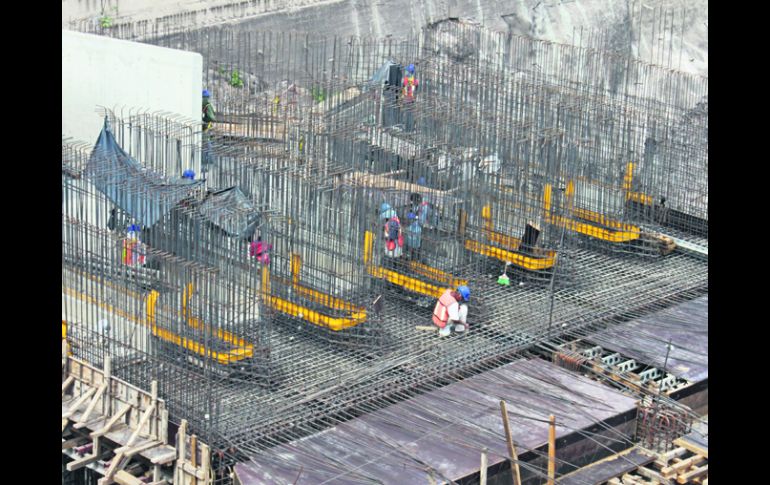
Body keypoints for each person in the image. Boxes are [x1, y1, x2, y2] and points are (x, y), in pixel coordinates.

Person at [401, 64, 419, 131]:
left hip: (408, 100)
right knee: (410, 114)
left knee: (407, 115)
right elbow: (416, 91)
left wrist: (403, 98)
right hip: (411, 100)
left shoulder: (406, 80)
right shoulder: (415, 81)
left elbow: (403, 90)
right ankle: (409, 128)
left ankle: (407, 128)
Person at [202, 89, 216, 172]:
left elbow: (211, 118)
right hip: (205, 127)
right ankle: (206, 162)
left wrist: (204, 119)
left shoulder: (207, 106)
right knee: (206, 144)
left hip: (207, 128)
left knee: (207, 144)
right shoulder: (204, 105)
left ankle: (208, 162)